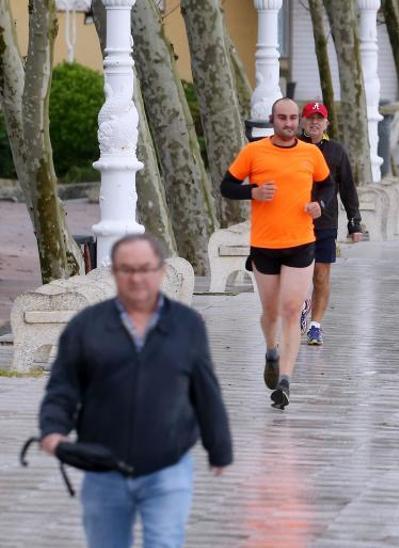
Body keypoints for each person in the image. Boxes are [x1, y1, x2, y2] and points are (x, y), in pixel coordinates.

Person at [39, 234, 233, 548]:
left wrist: (219, 447)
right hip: (103, 468)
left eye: (145, 268)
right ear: (114, 273)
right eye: (126, 269)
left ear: (159, 272)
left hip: (168, 466)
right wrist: (52, 430)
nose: (137, 278)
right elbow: (62, 387)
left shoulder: (186, 325)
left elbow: (205, 389)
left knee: (164, 543)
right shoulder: (86, 326)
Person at [220, 97, 332, 410]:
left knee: (292, 309)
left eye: (293, 118)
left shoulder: (311, 153)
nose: (288, 123)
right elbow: (227, 186)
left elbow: (328, 186)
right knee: (271, 312)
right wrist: (252, 192)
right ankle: (271, 350)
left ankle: (285, 380)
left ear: (298, 121)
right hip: (265, 246)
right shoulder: (253, 151)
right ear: (273, 120)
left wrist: (319, 205)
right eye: (282, 118)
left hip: (301, 242)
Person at [299, 100, 363, 346]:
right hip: (294, 223)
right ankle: (300, 311)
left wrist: (354, 222)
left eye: (319, 118)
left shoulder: (336, 151)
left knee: (321, 275)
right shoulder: (291, 147)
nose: (315, 122)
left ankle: (315, 325)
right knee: (298, 275)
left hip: (325, 223)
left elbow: (347, 188)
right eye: (310, 117)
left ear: (327, 122)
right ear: (303, 121)